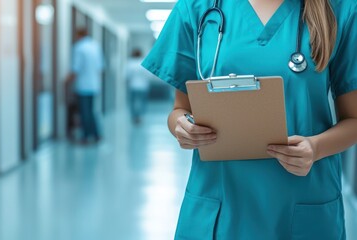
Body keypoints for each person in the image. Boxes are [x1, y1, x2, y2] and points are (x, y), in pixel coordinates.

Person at [142, 0, 357, 239]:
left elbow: (353, 120)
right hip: (221, 207)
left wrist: (315, 148)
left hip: (303, 201)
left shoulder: (339, 8)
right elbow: (180, 110)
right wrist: (181, 127)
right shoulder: (198, 7)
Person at [70, 28, 103, 144]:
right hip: (94, 85)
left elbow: (76, 68)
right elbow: (100, 67)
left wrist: (67, 81)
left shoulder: (79, 47)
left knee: (84, 112)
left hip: (83, 85)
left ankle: (85, 136)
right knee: (91, 111)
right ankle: (96, 134)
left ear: (78, 35)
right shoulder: (95, 46)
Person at [126, 49, 151, 124]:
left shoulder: (130, 63)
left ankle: (134, 116)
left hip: (133, 86)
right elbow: (149, 75)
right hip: (143, 86)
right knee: (143, 102)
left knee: (133, 102)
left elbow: (127, 76)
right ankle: (141, 116)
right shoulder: (144, 63)